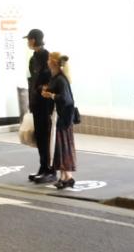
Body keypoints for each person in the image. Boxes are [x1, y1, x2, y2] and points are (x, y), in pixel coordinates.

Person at [40, 51, 77, 190]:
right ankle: (65, 177)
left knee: (62, 147)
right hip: (59, 118)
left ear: (54, 62)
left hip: (62, 119)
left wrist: (51, 95)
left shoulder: (60, 79)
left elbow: (66, 99)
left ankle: (68, 176)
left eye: (49, 59)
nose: (47, 61)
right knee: (58, 147)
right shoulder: (56, 77)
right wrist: (47, 92)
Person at [24, 28, 54, 183]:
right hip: (36, 102)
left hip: (44, 103)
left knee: (46, 137)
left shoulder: (45, 56)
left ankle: (50, 170)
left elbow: (48, 80)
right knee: (40, 137)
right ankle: (43, 167)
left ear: (33, 40)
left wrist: (42, 88)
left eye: (28, 39)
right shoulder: (33, 58)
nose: (28, 42)